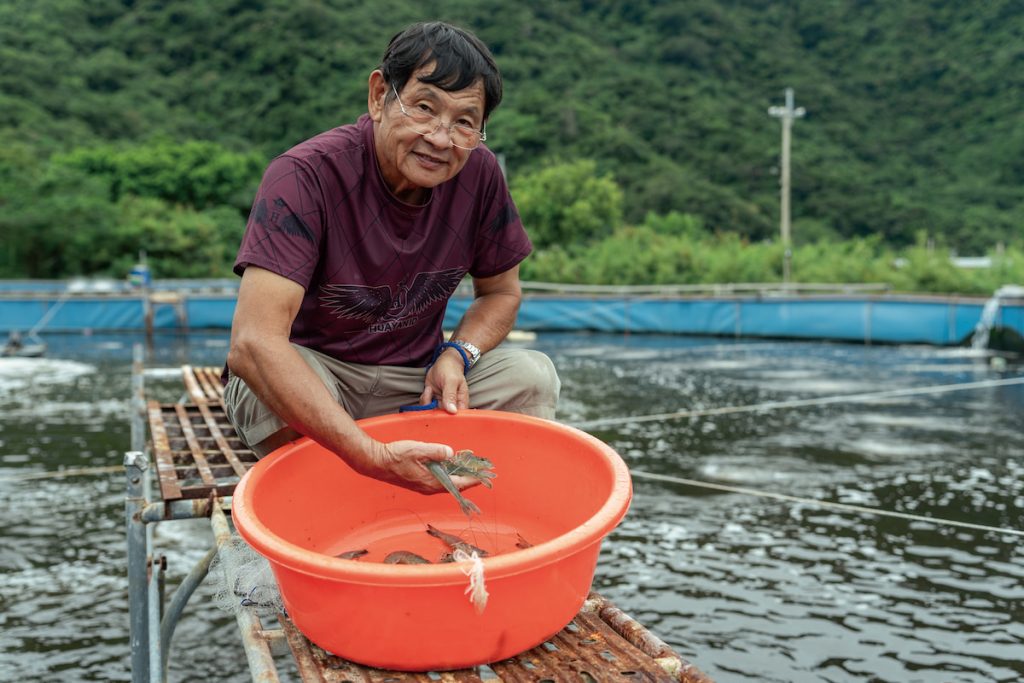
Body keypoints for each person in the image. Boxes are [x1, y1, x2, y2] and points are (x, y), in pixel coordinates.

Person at [224, 21, 560, 496]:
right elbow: (252, 343)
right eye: (424, 108)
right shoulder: (304, 176)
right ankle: (326, 500)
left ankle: (499, 510)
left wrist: (457, 354)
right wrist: (370, 454)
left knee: (530, 376)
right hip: (322, 376)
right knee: (263, 390)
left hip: (417, 378)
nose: (441, 139)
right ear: (379, 96)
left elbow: (501, 293)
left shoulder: (480, 176)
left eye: (465, 121)